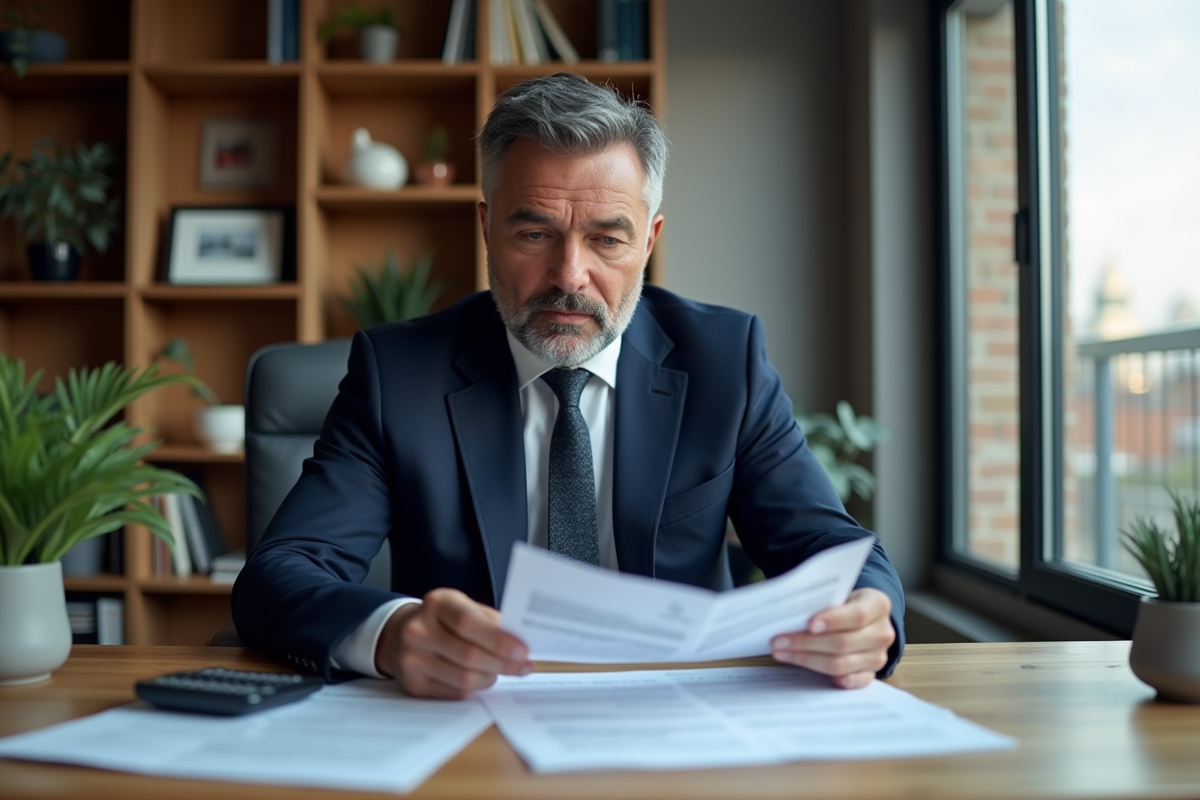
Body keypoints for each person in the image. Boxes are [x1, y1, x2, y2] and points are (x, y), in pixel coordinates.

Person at [232, 72, 904, 700]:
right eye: (534, 232)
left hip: (676, 722)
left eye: (607, 240)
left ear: (649, 241)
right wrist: (391, 634)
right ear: (487, 228)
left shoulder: (725, 361)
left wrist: (867, 614)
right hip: (470, 722)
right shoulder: (398, 373)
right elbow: (280, 574)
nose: (569, 275)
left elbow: (832, 547)